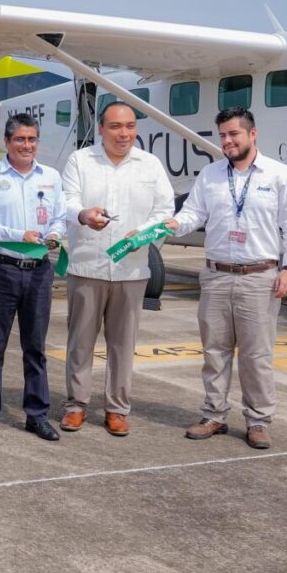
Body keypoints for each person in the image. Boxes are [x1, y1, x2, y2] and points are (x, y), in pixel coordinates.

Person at [165, 107, 287, 450]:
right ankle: (214, 414)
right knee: (215, 352)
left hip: (260, 277)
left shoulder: (278, 175)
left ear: (252, 134)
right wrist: (173, 224)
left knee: (256, 355)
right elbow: (193, 214)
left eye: (234, 134)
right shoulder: (211, 175)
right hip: (216, 276)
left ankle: (258, 421)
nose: (227, 141)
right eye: (223, 135)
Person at [60, 102, 174, 436]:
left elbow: (165, 210)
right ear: (101, 129)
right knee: (80, 341)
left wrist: (146, 233)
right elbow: (66, 200)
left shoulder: (149, 165)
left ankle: (117, 409)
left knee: (123, 344)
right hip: (87, 265)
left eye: (129, 126)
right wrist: (83, 214)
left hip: (131, 269)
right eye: (115, 127)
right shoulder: (80, 161)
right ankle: (76, 405)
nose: (123, 134)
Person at [0, 114, 65, 442]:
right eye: (20, 140)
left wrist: (54, 233)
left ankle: (37, 414)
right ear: (7, 142)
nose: (27, 146)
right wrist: (17, 235)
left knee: (35, 347)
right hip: (2, 269)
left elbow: (60, 217)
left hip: (38, 271)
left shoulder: (51, 176)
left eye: (32, 139)